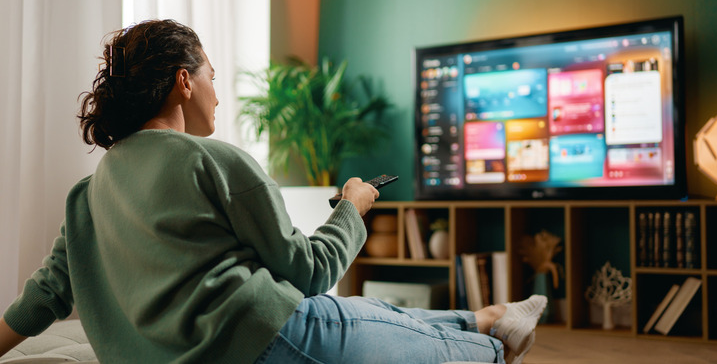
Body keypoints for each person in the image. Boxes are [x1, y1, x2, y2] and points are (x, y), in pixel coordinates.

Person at [0, 19, 546, 364]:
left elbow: (40, 301)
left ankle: (490, 315)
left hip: (218, 343)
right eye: (211, 75)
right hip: (266, 337)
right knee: (468, 354)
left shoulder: (85, 195)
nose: (219, 95)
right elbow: (310, 273)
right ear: (183, 81)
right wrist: (353, 206)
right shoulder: (213, 161)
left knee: (377, 313)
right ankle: (490, 335)